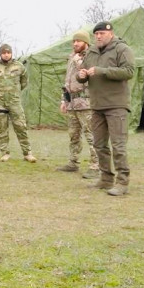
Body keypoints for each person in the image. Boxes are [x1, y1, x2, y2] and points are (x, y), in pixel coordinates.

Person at [77, 21, 135, 196]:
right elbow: (83, 71)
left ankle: (122, 182)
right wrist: (81, 75)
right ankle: (106, 178)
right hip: (97, 105)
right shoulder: (92, 52)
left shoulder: (122, 49)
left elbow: (129, 71)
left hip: (116, 105)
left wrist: (102, 71)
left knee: (118, 145)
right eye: (96, 34)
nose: (99, 36)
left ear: (111, 33)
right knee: (99, 145)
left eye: (102, 33)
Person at [0, 44, 37, 163]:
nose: (6, 54)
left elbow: (24, 82)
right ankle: (5, 153)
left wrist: (15, 92)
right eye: (4, 53)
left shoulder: (19, 67)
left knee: (21, 127)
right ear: (0, 54)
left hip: (15, 102)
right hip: (0, 103)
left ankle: (27, 153)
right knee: (2, 128)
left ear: (11, 53)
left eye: (8, 52)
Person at [56, 30, 99, 178]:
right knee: (73, 135)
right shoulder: (71, 57)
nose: (75, 44)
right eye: (74, 41)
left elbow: (88, 74)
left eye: (78, 41)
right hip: (72, 102)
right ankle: (73, 162)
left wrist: (77, 60)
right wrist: (64, 100)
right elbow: (67, 80)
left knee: (91, 135)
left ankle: (96, 165)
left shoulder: (92, 56)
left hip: (86, 103)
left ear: (86, 42)